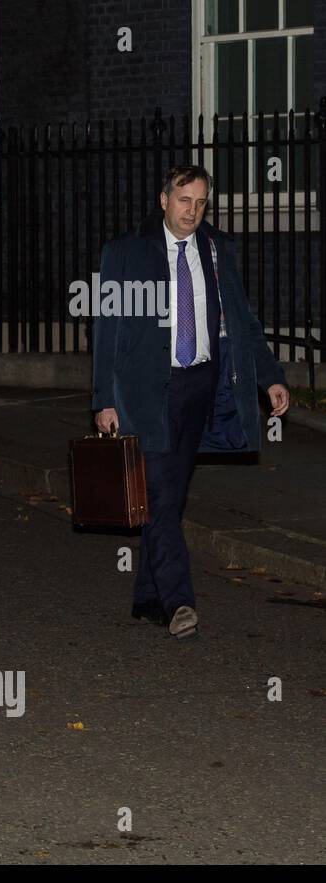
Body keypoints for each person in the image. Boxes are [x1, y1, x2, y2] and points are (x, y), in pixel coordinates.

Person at [92, 164, 289, 640]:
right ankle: (180, 600)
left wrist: (270, 378)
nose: (193, 211)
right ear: (164, 200)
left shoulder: (218, 251)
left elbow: (242, 322)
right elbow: (107, 330)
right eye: (185, 200)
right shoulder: (126, 252)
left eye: (201, 202)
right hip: (146, 393)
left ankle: (146, 597)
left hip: (199, 387)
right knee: (160, 495)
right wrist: (103, 398)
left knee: (169, 497)